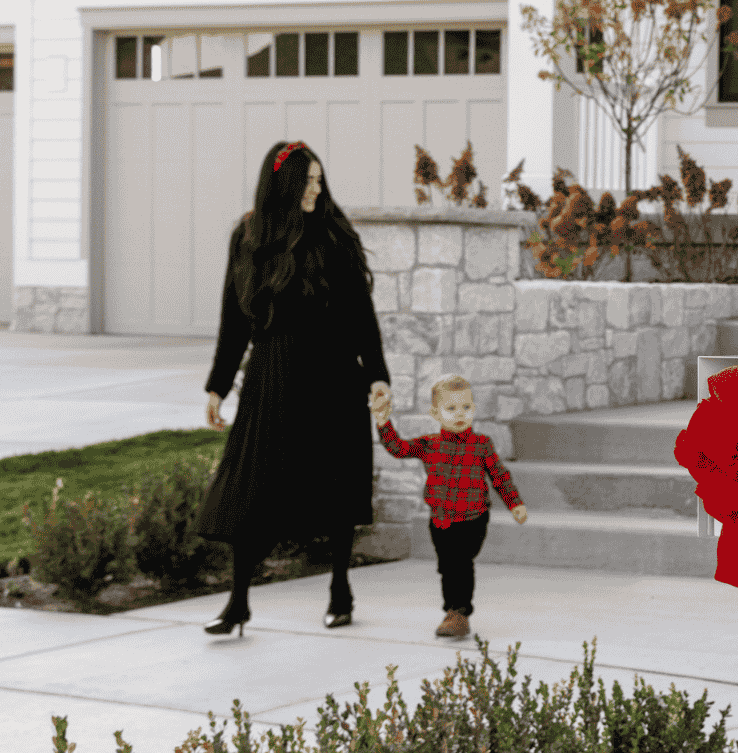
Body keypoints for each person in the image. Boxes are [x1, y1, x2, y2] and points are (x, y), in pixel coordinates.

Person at [197, 140, 392, 636]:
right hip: (271, 375)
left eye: (319, 181)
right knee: (250, 486)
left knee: (336, 485)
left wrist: (377, 375)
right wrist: (219, 385)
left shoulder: (333, 233)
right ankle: (238, 604)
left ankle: (340, 590)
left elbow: (360, 312)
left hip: (333, 373)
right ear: (282, 183)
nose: (316, 190)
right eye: (307, 181)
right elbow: (233, 317)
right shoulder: (247, 235)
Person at [372, 374, 528, 639]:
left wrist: (515, 503)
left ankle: (460, 612)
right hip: (441, 519)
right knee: (447, 566)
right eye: (451, 408)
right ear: (436, 413)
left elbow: (499, 476)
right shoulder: (429, 444)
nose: (460, 414)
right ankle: (452, 611)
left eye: (465, 407)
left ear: (474, 409)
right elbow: (398, 448)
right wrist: (383, 422)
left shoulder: (482, 445)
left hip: (473, 518)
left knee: (461, 561)